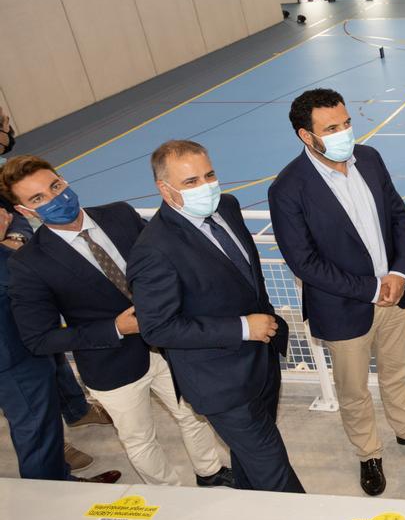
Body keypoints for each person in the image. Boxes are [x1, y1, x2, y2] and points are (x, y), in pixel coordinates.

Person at [3, 156, 234, 488]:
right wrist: (115, 328)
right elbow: (40, 339)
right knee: (139, 438)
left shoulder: (119, 214)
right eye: (38, 198)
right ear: (26, 212)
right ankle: (169, 492)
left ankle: (210, 472)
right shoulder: (28, 263)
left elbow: (165, 261)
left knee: (194, 414)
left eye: (55, 186)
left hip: (169, 345)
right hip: (110, 364)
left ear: (64, 180)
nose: (54, 199)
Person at [269, 88, 405, 498]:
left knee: (398, 371)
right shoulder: (288, 189)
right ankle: (368, 452)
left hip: (395, 295)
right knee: (353, 391)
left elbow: (399, 216)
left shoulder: (368, 159)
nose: (344, 132)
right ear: (306, 135)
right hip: (343, 310)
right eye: (331, 128)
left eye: (347, 122)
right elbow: (305, 263)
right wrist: (372, 288)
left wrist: (400, 273)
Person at [127, 140, 304, 493]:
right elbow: (158, 328)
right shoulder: (154, 250)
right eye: (191, 182)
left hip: (261, 360)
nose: (206, 186)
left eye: (209, 175)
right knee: (274, 470)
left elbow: (246, 274)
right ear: (165, 189)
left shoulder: (228, 205)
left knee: (251, 459)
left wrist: (262, 324)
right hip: (220, 382)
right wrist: (242, 327)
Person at [0, 204, 120, 484]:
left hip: (27, 339)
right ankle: (53, 494)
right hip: (12, 354)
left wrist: (16, 238)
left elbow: (14, 215)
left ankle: (58, 474)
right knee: (37, 429)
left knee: (42, 419)